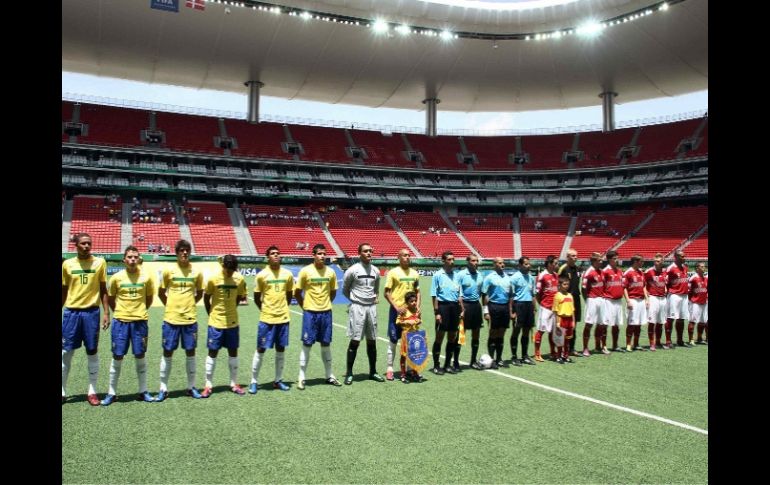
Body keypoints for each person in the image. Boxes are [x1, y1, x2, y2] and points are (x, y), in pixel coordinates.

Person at [101, 246, 155, 405]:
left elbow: (149, 299)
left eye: (135, 257)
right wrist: (118, 312)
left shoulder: (146, 278)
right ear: (124, 260)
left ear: (139, 259)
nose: (132, 260)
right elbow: (111, 298)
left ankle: (143, 391)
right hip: (120, 322)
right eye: (129, 257)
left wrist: (139, 311)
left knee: (140, 354)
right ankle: (111, 393)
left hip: (140, 322)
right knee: (117, 355)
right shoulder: (116, 278)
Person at [62, 233, 110, 405]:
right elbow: (64, 289)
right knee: (66, 352)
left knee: (92, 351)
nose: (87, 246)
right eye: (83, 243)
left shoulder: (100, 263)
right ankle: (62, 390)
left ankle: (92, 391)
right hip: (71, 313)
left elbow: (104, 289)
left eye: (89, 243)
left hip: (91, 313)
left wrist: (106, 313)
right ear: (76, 245)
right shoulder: (67, 264)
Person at [156, 239, 204, 402]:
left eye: (187, 250)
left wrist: (188, 305)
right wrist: (171, 306)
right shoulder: (169, 271)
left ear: (189, 253)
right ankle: (163, 388)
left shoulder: (196, 272)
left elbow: (200, 293)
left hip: (190, 319)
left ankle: (191, 387)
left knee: (190, 352)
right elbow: (161, 292)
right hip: (171, 319)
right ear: (176, 253)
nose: (184, 253)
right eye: (181, 250)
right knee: (167, 352)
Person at [294, 244, 342, 389]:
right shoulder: (305, 271)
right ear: (313, 255)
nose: (322, 256)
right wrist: (305, 307)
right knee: (307, 344)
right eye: (319, 254)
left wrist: (325, 303)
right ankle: (301, 377)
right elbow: (297, 292)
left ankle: (329, 375)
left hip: (326, 312)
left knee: (326, 344)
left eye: (324, 254)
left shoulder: (330, 272)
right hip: (310, 313)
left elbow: (333, 291)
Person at [201, 255, 248, 397]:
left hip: (232, 322)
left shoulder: (239, 279)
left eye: (232, 271)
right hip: (216, 322)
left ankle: (234, 383)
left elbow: (240, 296)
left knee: (233, 351)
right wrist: (211, 313)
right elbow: (206, 298)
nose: (230, 273)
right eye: (228, 270)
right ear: (223, 267)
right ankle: (208, 385)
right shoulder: (213, 278)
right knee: (213, 352)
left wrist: (232, 308)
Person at [251, 246, 295, 393]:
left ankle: (278, 380)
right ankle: (254, 381)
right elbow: (257, 297)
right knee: (261, 348)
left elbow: (289, 294)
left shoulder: (287, 274)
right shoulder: (262, 275)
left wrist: (282, 308)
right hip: (267, 318)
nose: (276, 255)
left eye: (278, 253)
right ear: (267, 257)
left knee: (280, 349)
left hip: (283, 318)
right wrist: (265, 310)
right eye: (272, 254)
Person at [342, 243, 384, 384]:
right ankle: (349, 373)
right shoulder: (352, 270)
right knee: (355, 341)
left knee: (372, 340)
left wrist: (373, 298)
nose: (369, 253)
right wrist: (355, 301)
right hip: (357, 308)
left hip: (371, 308)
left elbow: (376, 289)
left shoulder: (376, 271)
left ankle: (373, 371)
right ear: (359, 253)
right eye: (365, 251)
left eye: (370, 251)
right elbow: (345, 289)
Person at [383, 248, 420, 380]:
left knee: (411, 341)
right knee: (393, 339)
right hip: (396, 311)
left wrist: (418, 307)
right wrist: (397, 307)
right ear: (398, 257)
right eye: (404, 255)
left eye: (409, 255)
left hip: (411, 313)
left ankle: (410, 369)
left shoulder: (415, 273)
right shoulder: (393, 273)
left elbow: (417, 291)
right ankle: (390, 368)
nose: (407, 257)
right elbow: (386, 293)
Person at [430, 251, 464, 374]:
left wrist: (462, 310)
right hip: (443, 308)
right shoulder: (438, 275)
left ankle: (447, 365)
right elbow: (434, 295)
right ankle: (436, 365)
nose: (452, 261)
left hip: (454, 308)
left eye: (453, 259)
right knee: (439, 337)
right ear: (443, 261)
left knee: (452, 337)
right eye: (449, 259)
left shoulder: (457, 276)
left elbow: (459, 295)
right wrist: (437, 312)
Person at [481, 257, 513, 368]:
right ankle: (491, 359)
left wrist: (510, 310)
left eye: (503, 262)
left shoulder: (508, 278)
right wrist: (485, 311)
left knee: (502, 333)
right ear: (494, 265)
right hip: (493, 306)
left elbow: (510, 296)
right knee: (493, 333)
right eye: (500, 263)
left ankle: (499, 359)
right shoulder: (489, 278)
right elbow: (484, 295)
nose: (502, 264)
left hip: (504, 307)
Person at [458, 254, 484, 369]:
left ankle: (473, 360)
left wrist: (486, 309)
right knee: (460, 335)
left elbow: (482, 293)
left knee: (476, 334)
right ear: (468, 262)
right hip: (465, 306)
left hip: (476, 306)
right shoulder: (461, 275)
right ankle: (455, 362)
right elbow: (458, 294)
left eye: (477, 261)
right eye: (473, 261)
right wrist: (462, 309)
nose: (476, 263)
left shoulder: (480, 275)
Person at [510, 256, 536, 365]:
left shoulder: (531, 278)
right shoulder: (514, 278)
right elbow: (511, 296)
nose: (528, 265)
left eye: (528, 264)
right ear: (520, 265)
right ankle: (514, 356)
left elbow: (533, 295)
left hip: (528, 305)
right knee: (516, 330)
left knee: (526, 331)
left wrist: (534, 308)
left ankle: (524, 355)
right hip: (518, 305)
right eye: (526, 264)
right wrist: (512, 311)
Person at [395, 291, 426, 383]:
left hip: (415, 335)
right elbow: (397, 321)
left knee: (415, 355)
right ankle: (403, 374)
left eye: (415, 301)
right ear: (407, 302)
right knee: (404, 355)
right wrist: (407, 322)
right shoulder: (404, 310)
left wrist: (418, 321)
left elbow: (420, 320)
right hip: (406, 335)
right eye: (411, 301)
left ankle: (415, 373)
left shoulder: (417, 310)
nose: (414, 303)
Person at [534, 255, 559, 362]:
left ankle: (553, 352)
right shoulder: (542, 276)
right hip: (545, 308)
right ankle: (537, 353)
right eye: (555, 263)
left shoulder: (556, 275)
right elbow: (537, 293)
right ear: (549, 264)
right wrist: (542, 304)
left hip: (555, 308)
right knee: (541, 330)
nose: (557, 265)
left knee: (553, 331)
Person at [558, 248, 582, 356]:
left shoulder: (577, 269)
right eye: (573, 256)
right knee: (563, 325)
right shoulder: (563, 269)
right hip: (565, 300)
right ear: (567, 257)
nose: (575, 257)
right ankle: (561, 349)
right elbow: (558, 285)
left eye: (576, 256)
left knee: (574, 325)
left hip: (576, 299)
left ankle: (571, 349)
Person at [622, 254, 648, 352]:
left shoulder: (641, 272)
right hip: (633, 300)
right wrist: (628, 300)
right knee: (631, 324)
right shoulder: (628, 273)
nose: (643, 262)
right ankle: (628, 344)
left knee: (639, 324)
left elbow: (644, 286)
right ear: (636, 262)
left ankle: (636, 344)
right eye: (641, 261)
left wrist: (647, 299)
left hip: (641, 300)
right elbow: (624, 287)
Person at [581, 252, 605, 356]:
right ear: (594, 261)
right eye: (599, 260)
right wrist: (587, 299)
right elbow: (583, 288)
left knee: (600, 324)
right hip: (592, 300)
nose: (601, 262)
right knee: (589, 324)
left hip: (601, 300)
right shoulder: (588, 272)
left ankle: (598, 346)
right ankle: (585, 348)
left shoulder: (601, 271)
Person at [601, 250, 625, 353]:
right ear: (609, 259)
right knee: (605, 324)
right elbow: (601, 286)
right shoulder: (605, 271)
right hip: (608, 301)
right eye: (614, 259)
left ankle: (615, 345)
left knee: (616, 325)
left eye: (617, 258)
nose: (616, 260)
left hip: (618, 301)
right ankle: (604, 346)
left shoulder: (619, 271)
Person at [665, 250, 690, 348]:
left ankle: (680, 340)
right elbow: (665, 282)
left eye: (684, 256)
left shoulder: (685, 267)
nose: (684, 257)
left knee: (681, 319)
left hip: (684, 296)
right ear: (676, 257)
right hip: (674, 295)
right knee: (670, 318)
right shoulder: (670, 268)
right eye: (682, 256)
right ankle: (668, 341)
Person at [644, 253, 668, 351]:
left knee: (660, 322)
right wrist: (647, 298)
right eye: (655, 261)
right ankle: (652, 343)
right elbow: (643, 286)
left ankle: (658, 342)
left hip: (663, 299)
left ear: (662, 262)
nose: (656, 263)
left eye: (658, 261)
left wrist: (665, 288)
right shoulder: (649, 272)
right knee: (652, 322)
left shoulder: (665, 272)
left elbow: (665, 283)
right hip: (653, 298)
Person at [552, 276, 575, 363]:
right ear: (559, 285)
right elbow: (555, 311)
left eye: (567, 284)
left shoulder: (570, 295)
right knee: (560, 340)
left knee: (567, 339)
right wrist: (557, 322)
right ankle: (558, 356)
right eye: (564, 284)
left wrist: (573, 321)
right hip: (561, 319)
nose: (566, 286)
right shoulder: (557, 296)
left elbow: (572, 310)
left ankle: (566, 355)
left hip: (569, 319)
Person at [688, 261, 708, 345]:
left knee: (703, 322)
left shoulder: (706, 278)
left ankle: (699, 338)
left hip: (704, 302)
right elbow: (688, 291)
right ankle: (691, 339)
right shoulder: (693, 278)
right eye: (702, 266)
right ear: (697, 268)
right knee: (693, 321)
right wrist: (690, 301)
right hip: (695, 303)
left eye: (704, 266)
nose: (704, 268)